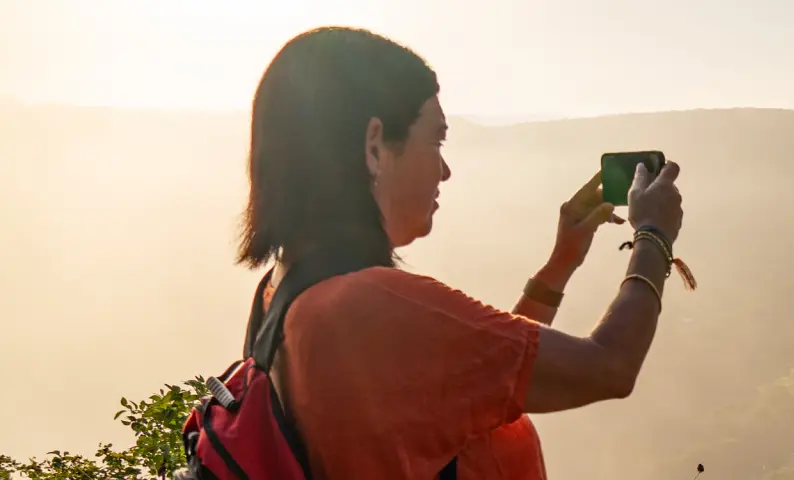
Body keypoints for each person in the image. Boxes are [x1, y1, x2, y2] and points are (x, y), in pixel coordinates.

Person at [236, 26, 682, 479]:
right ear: (374, 146)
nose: (445, 170)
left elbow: (482, 366)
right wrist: (653, 235)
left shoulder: (281, 296)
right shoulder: (368, 305)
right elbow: (609, 367)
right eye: (436, 140)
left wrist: (561, 262)